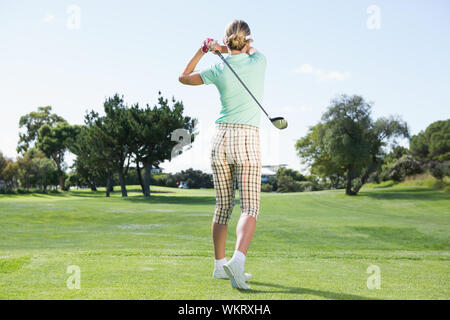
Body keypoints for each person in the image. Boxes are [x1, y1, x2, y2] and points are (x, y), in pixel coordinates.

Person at [179, 19, 266, 290]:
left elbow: (184, 77)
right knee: (250, 206)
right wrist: (227, 49)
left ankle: (219, 266)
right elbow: (250, 50)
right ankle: (237, 262)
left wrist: (204, 50)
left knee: (223, 207)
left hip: (219, 138)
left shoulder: (218, 67)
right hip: (247, 138)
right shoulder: (259, 61)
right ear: (248, 40)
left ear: (226, 40)